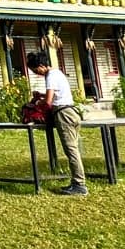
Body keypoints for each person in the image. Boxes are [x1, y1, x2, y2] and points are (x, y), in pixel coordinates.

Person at [26, 52, 87, 196]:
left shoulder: (51, 76)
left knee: (71, 150)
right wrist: (40, 95)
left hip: (63, 114)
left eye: (36, 70)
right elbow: (55, 95)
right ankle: (77, 182)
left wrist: (35, 103)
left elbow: (48, 102)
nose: (36, 73)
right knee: (73, 149)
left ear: (41, 66)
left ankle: (80, 185)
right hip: (71, 112)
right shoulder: (57, 73)